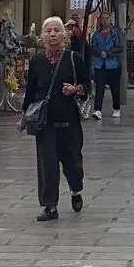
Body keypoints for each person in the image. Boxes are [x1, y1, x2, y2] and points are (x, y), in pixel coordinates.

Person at [29, 17, 89, 221]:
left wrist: (75, 89)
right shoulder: (36, 61)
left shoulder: (73, 58)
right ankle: (49, 206)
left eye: (56, 30)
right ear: (42, 36)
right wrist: (24, 116)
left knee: (73, 163)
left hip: (69, 120)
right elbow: (30, 92)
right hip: (45, 122)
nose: (52, 34)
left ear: (64, 35)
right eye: (48, 31)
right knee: (47, 165)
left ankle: (76, 189)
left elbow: (86, 86)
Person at [88, 12, 124, 121]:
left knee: (115, 88)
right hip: (100, 65)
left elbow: (119, 47)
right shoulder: (96, 34)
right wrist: (100, 53)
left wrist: (108, 53)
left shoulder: (115, 33)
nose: (105, 20)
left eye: (107, 18)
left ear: (110, 20)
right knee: (99, 87)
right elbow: (92, 48)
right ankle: (98, 110)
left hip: (113, 64)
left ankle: (116, 108)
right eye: (103, 18)